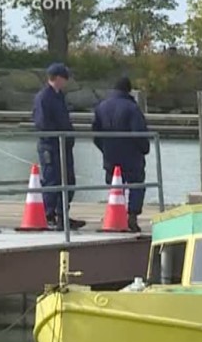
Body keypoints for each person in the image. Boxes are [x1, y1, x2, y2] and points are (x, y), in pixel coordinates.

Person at [93, 77, 151, 232]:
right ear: (129, 90)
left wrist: (104, 149)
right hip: (131, 156)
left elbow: (95, 134)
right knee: (137, 185)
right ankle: (132, 216)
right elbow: (139, 133)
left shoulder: (101, 107)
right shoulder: (132, 108)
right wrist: (145, 148)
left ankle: (114, 216)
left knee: (115, 186)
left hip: (110, 156)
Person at [33, 63, 83, 230]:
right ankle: (49, 215)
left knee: (68, 180)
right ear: (58, 78)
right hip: (51, 145)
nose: (66, 81)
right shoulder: (43, 97)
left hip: (64, 145)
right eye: (65, 78)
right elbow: (42, 123)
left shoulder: (59, 96)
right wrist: (58, 136)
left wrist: (69, 136)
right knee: (52, 180)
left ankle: (62, 214)